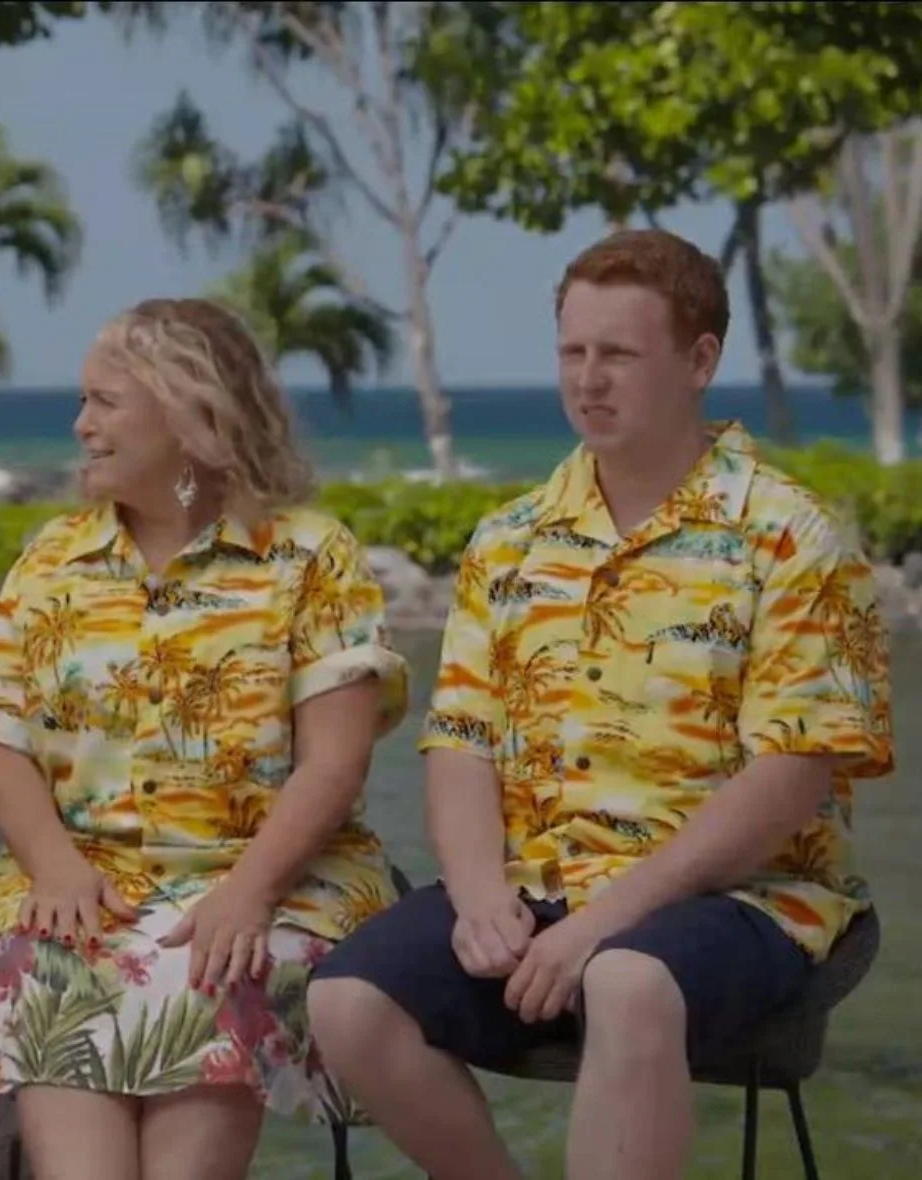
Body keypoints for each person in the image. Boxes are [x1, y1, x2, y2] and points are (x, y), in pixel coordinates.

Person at [306, 229, 895, 1180]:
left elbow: (792, 776)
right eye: (573, 352)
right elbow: (459, 744)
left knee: (625, 978)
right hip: (538, 882)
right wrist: (478, 893)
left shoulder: (789, 535)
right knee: (347, 1002)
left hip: (744, 898)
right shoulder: (511, 539)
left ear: (700, 361)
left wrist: (601, 921)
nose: (589, 379)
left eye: (619, 353)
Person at [0, 296, 411, 1179]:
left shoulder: (311, 558)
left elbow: (336, 759)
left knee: (214, 972)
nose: (79, 425)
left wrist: (247, 891)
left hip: (274, 882)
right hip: (81, 879)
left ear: (192, 412)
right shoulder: (52, 560)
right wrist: (53, 866)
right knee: (52, 970)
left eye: (104, 403)